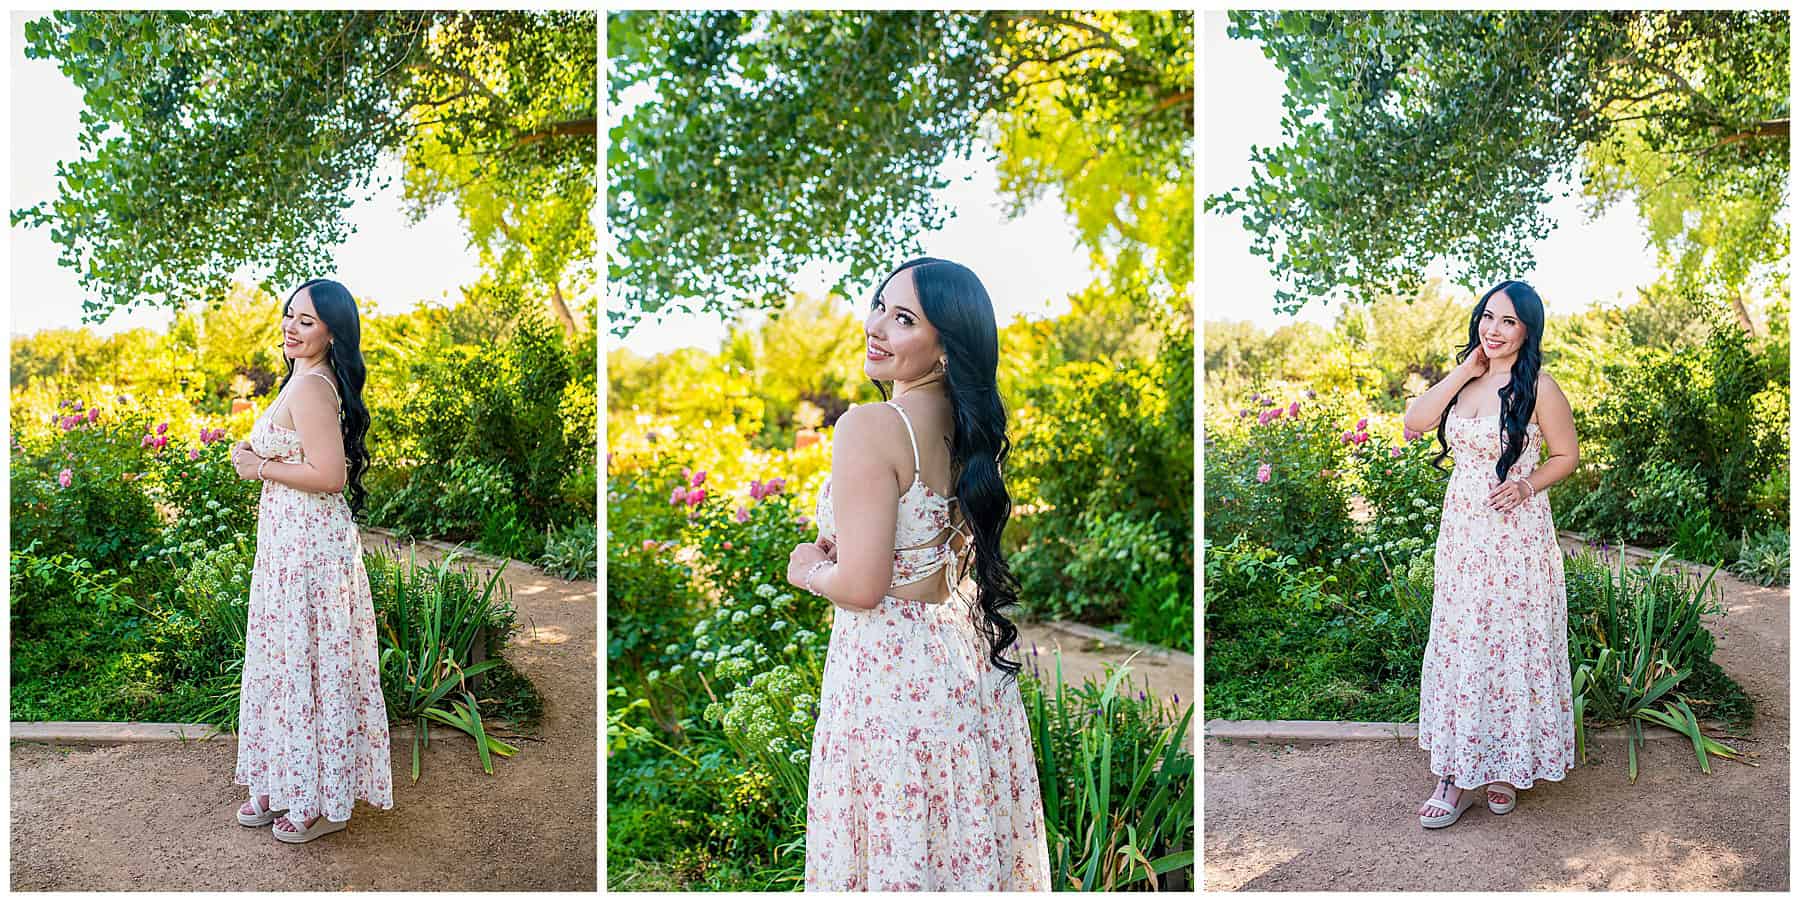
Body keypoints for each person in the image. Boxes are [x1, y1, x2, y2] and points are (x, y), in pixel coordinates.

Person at [791, 258, 1051, 890]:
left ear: (944, 349)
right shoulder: (967, 430)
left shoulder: (869, 427)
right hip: (959, 667)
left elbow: (862, 587)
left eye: (904, 319)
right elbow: (936, 557)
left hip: (886, 676)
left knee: (895, 842)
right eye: (880, 305)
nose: (876, 327)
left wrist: (808, 569)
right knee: (957, 837)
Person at [1401, 279, 1580, 829]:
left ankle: (1505, 765)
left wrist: (1527, 486)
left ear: (1528, 329)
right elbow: (1414, 423)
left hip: (1518, 538)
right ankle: (1452, 778)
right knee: (1463, 642)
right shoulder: (1464, 381)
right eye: (1487, 317)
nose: (1494, 329)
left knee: (1509, 643)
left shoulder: (1540, 387)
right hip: (1464, 537)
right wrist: (1466, 368)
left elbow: (1566, 455)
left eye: (1507, 321)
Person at [229, 279, 392, 843]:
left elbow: (330, 476)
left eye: (307, 321)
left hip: (310, 549)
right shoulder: (297, 379)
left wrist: (259, 468)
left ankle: (319, 799)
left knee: (308, 659)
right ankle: (285, 780)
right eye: (290, 316)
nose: (292, 329)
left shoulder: (313, 388)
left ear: (332, 333)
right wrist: (253, 453)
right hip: (288, 544)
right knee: (286, 658)